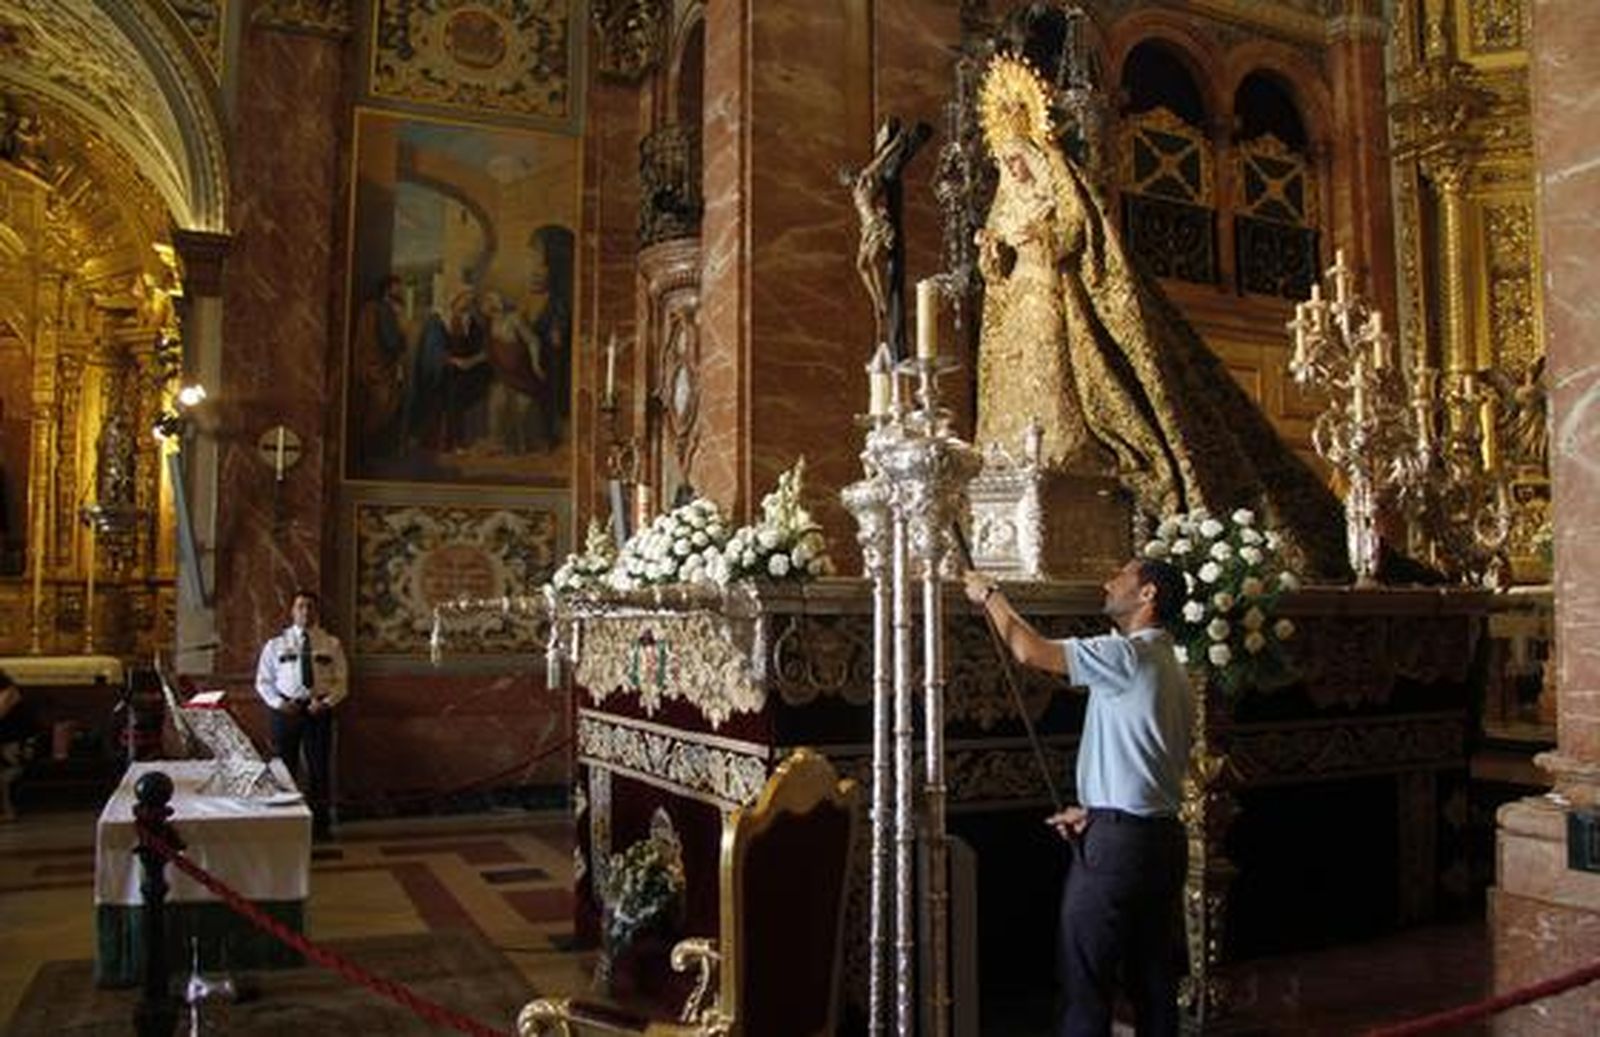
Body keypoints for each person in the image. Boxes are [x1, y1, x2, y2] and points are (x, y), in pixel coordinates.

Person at [974, 55, 1347, 577]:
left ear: (1037, 153)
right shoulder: (1006, 200)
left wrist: (1045, 240)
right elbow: (996, 266)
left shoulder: (1058, 185)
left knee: (1071, 389)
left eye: (1021, 158)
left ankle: (1068, 456)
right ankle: (1013, 459)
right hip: (1021, 316)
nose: (1013, 169)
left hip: (1059, 309)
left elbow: (1078, 231)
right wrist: (993, 258)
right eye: (1007, 160)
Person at [963, 559, 1192, 1037]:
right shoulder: (1174, 663)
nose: (1108, 583)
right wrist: (1097, 810)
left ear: (1147, 594)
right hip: (1160, 838)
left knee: (1085, 982)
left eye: (1122, 577)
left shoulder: (1125, 655)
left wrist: (991, 596)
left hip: (1119, 847)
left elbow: (1030, 651)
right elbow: (1147, 755)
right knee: (1153, 981)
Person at [255, 590, 348, 839]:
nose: (305, 611)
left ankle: (320, 827)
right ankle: (285, 823)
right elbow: (263, 681)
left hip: (318, 711)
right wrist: (277, 703)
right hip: (286, 712)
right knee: (284, 768)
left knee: (319, 768)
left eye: (310, 607)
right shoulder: (276, 645)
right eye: (300, 607)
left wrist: (327, 703)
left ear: (316, 612)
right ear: (292, 611)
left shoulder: (331, 644)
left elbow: (342, 683)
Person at [0, 670, 39, 822]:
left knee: (4, 774)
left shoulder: (8, 692)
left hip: (18, 744)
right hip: (5, 743)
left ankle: (8, 811)